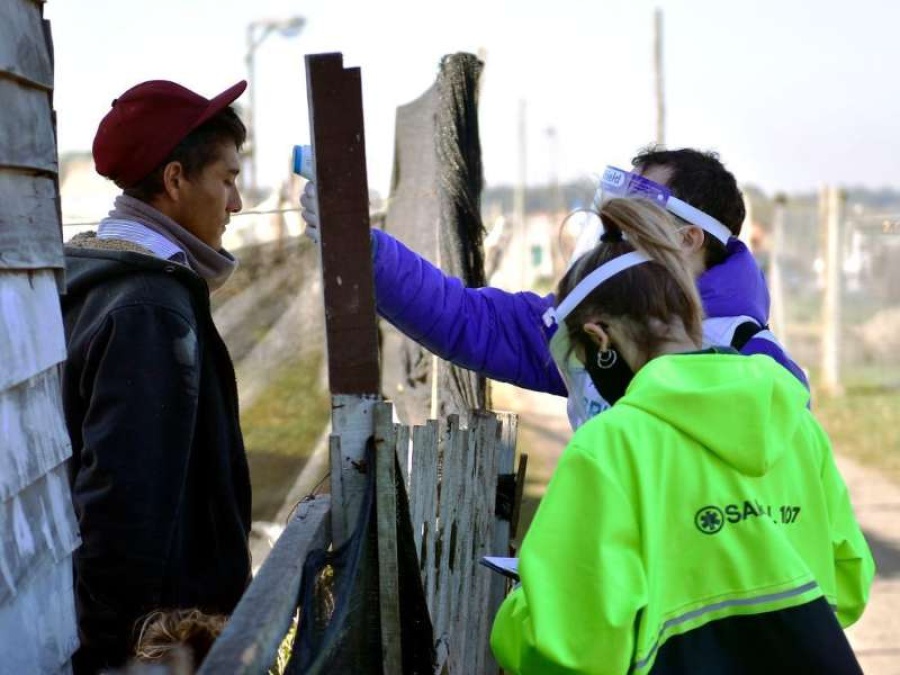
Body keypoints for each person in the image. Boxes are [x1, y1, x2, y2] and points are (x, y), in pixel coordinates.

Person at [489, 197, 874, 674]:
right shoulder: (796, 421)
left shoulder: (611, 446)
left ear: (599, 337)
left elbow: (571, 649)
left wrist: (522, 608)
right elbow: (849, 582)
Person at [301, 147, 809, 429]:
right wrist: (362, 247)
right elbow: (467, 319)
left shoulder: (758, 364)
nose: (611, 237)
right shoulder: (593, 325)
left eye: (632, 221)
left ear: (688, 239)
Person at [61, 79, 252, 673]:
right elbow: (122, 507)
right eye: (227, 179)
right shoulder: (150, 308)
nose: (237, 203)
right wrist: (118, 656)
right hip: (158, 646)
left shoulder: (101, 276)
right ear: (174, 181)